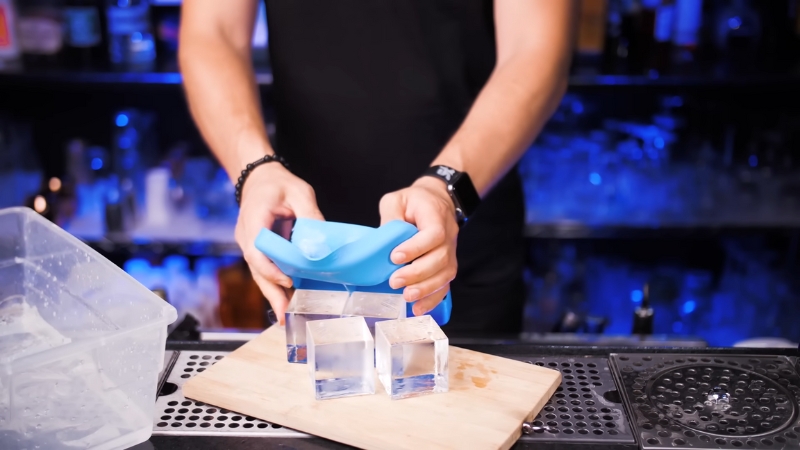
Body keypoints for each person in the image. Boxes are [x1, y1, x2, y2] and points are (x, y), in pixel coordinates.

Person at [179, 0, 573, 335]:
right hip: (312, 248)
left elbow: (534, 47)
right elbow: (212, 32)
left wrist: (446, 187)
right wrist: (255, 170)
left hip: (455, 241)